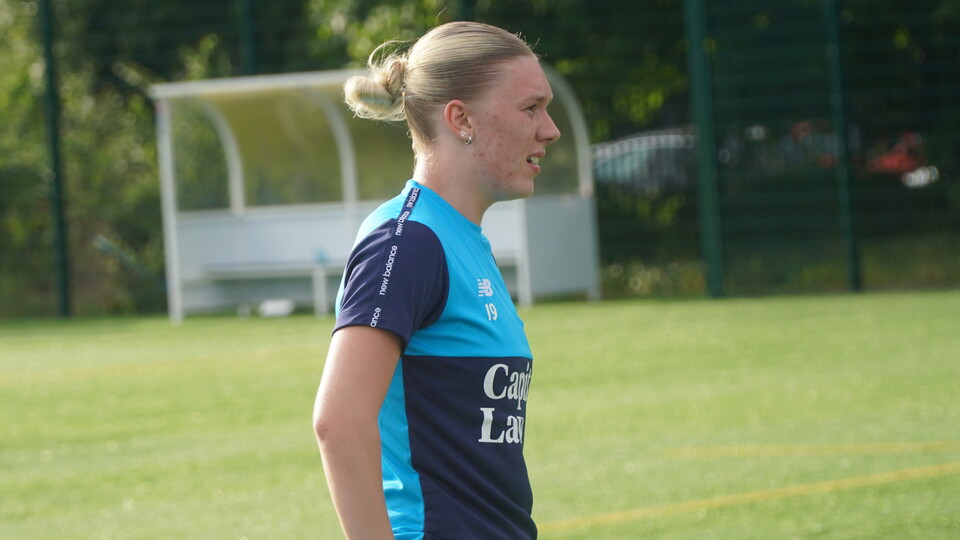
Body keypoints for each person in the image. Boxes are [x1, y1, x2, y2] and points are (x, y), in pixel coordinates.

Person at [312, 21, 561, 540]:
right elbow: (339, 421)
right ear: (460, 118)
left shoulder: (459, 239)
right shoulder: (407, 242)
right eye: (530, 108)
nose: (550, 129)